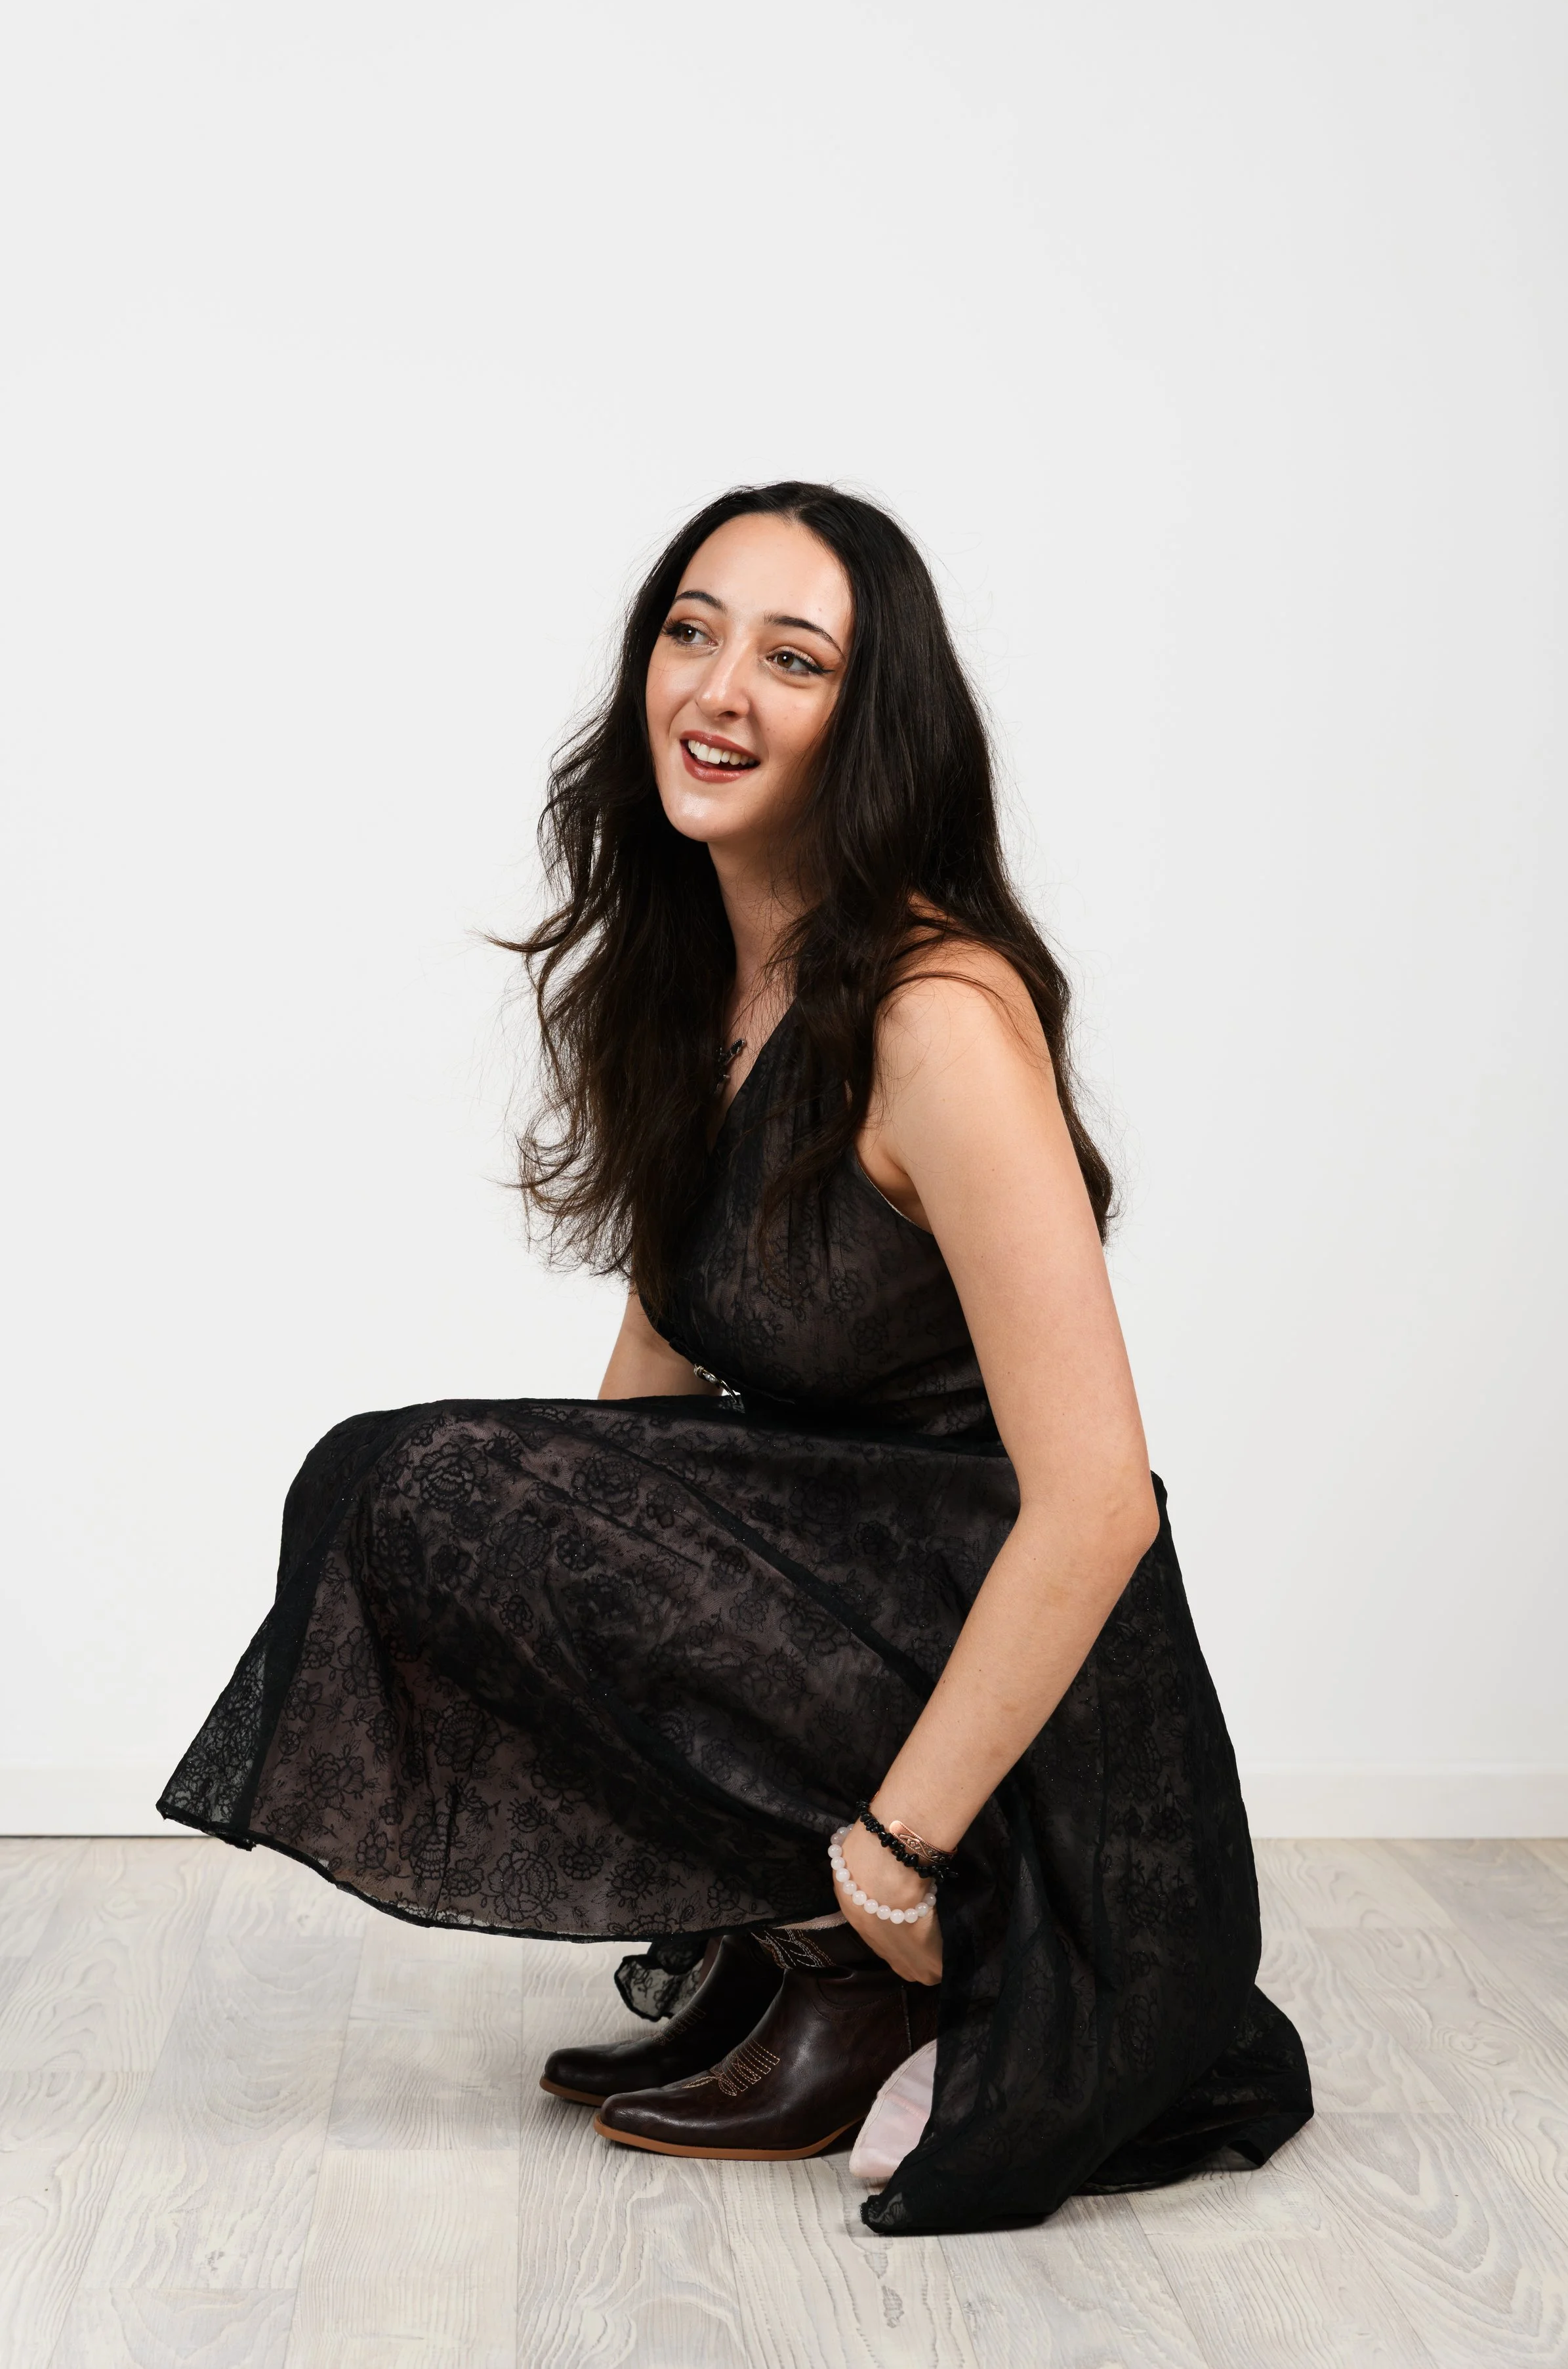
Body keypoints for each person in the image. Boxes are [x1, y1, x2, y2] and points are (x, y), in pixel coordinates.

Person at [160, 482, 1311, 2236]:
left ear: (873, 721)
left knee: (432, 1485)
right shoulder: (706, 975)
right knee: (392, 1488)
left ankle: (871, 1954)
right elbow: (665, 1354)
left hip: (1022, 1691)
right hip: (834, 1593)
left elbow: (1094, 1504)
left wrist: (897, 1845)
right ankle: (786, 1946)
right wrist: (555, 1642)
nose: (717, 685)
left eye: (792, 656)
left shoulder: (937, 1020)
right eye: (689, 630)